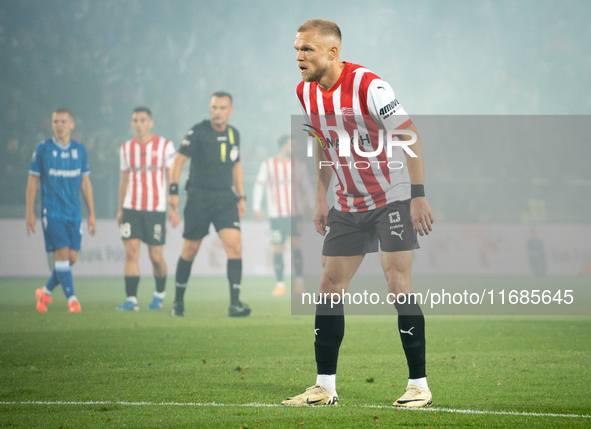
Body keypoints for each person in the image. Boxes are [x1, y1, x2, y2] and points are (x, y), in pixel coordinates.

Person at [282, 20, 435, 408]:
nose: (299, 57)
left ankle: (419, 386)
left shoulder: (370, 86)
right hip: (348, 202)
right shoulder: (306, 92)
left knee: (397, 281)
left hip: (392, 197)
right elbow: (321, 143)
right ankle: (324, 387)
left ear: (333, 52)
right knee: (329, 287)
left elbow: (410, 134)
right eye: (297, 49)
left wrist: (417, 195)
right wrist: (321, 197)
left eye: (307, 50)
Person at [167, 91, 250, 317]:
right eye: (214, 107)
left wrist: (241, 196)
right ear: (210, 109)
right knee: (190, 250)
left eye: (222, 108)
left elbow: (236, 166)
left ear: (230, 111)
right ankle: (178, 302)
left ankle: (235, 304)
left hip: (225, 198)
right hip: (199, 198)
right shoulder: (197, 132)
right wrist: (173, 191)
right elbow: (177, 161)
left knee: (235, 246)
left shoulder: (234, 134)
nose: (217, 112)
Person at [26, 108, 97, 313]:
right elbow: (33, 180)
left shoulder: (80, 150)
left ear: (72, 125)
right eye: (56, 121)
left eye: (63, 122)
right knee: (63, 254)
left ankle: (45, 291)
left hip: (74, 214)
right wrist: (29, 211)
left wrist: (91, 213)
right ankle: (72, 300)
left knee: (71, 258)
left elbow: (85, 182)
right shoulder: (43, 149)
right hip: (52, 212)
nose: (59, 125)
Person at [116, 107, 179, 311]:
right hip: (131, 208)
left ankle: (159, 294)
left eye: (143, 120)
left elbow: (172, 175)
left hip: (155, 209)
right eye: (135, 120)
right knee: (131, 253)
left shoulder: (165, 146)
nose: (139, 124)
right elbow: (124, 179)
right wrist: (120, 210)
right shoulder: (126, 148)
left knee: (155, 256)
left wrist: (173, 207)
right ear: (131, 123)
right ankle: (131, 300)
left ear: (150, 123)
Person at [252, 135, 314, 296]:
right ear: (283, 147)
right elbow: (259, 185)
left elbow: (307, 186)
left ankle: (299, 283)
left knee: (296, 245)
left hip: (295, 214)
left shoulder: (299, 164)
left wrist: (314, 206)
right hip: (276, 215)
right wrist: (256, 206)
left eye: (296, 146)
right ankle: (280, 284)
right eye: (291, 146)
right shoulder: (268, 164)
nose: (295, 149)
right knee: (278, 248)